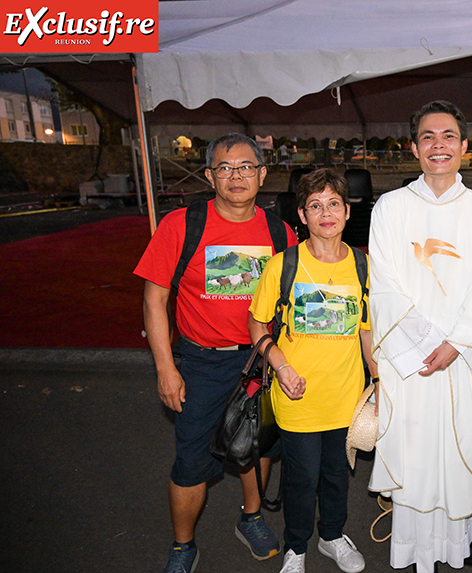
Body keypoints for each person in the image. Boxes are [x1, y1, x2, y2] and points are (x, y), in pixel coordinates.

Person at [368, 100, 472, 573]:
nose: (439, 145)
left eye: (449, 136)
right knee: (416, 449)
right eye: (429, 137)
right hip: (409, 359)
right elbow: (385, 284)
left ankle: (457, 542)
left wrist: (455, 344)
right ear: (414, 147)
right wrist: (423, 344)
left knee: (459, 447)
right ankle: (415, 548)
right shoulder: (390, 208)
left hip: (462, 358)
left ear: (464, 146)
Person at [134, 133, 298, 573]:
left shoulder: (279, 232)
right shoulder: (181, 225)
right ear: (210, 176)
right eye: (225, 168)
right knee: (190, 459)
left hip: (260, 360)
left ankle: (251, 517)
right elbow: (154, 300)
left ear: (263, 174)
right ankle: (183, 545)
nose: (236, 176)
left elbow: (290, 301)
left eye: (246, 166)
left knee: (257, 445)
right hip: (202, 361)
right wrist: (166, 368)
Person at [249, 168, 376, 573]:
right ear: (302, 215)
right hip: (296, 396)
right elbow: (256, 324)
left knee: (337, 475)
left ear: (347, 211)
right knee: (301, 479)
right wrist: (281, 366)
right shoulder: (282, 266)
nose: (326, 213)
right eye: (315, 206)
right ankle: (296, 546)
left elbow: (367, 330)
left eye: (334, 204)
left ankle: (332, 536)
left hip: (346, 396)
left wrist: (379, 380)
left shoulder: (363, 265)